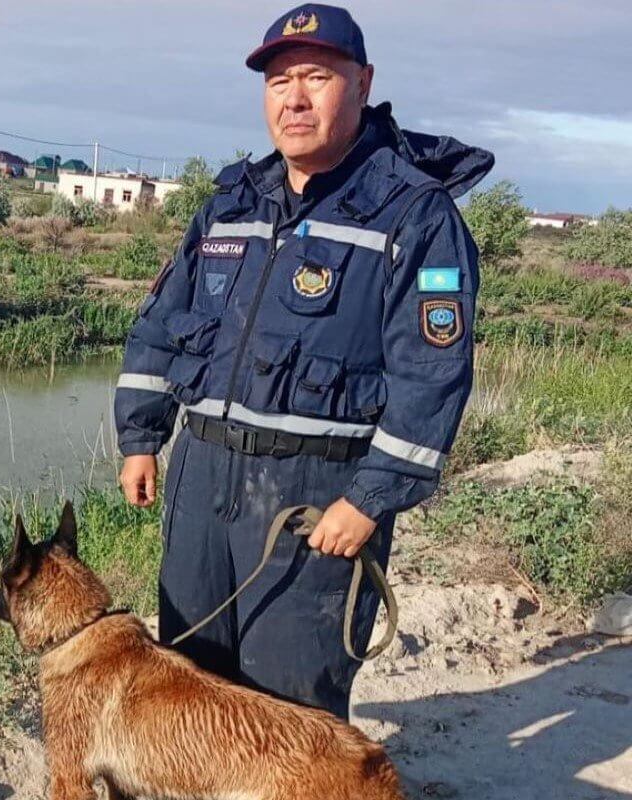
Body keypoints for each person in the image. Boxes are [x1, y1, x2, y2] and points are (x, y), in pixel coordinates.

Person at [113, 3, 494, 720]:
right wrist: (140, 437)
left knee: (293, 718)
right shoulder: (231, 204)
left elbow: (432, 375)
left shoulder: (412, 214)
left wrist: (369, 500)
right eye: (278, 80)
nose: (293, 97)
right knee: (188, 700)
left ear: (363, 82)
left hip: (315, 499)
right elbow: (161, 327)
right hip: (202, 488)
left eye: (316, 76)